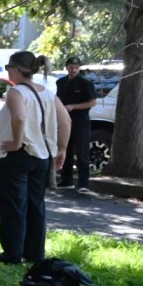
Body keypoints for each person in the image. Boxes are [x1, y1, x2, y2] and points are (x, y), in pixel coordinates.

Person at [0, 51, 71, 264]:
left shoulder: (16, 92)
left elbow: (19, 117)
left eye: (8, 67)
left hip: (18, 155)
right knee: (35, 205)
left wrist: (17, 142)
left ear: (16, 69)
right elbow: (66, 120)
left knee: (13, 205)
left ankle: (12, 254)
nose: (8, 71)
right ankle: (34, 253)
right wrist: (62, 149)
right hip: (42, 155)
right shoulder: (47, 93)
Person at [55, 55, 96, 193]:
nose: (73, 70)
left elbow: (92, 102)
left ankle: (84, 183)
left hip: (81, 120)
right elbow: (58, 98)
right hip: (65, 119)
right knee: (65, 148)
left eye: (76, 68)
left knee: (82, 151)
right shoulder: (61, 82)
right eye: (71, 67)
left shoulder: (85, 83)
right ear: (66, 68)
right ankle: (66, 180)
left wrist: (73, 106)